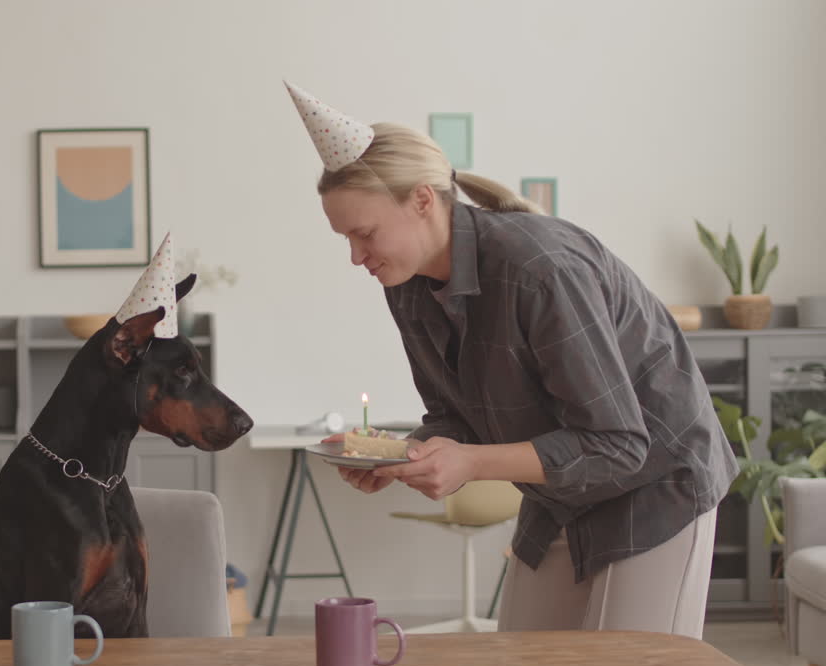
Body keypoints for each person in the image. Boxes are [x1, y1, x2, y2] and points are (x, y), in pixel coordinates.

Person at [286, 81, 737, 638]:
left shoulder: (541, 271)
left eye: (365, 233)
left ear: (423, 200)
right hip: (560, 497)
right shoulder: (405, 284)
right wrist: (405, 455)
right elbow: (455, 417)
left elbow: (618, 443)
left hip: (655, 486)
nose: (356, 257)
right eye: (345, 240)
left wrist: (470, 464)